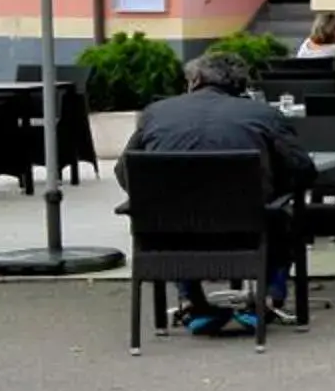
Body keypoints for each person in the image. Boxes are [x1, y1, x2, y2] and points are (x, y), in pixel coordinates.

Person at [117, 49, 315, 337]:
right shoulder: (264, 115)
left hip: (170, 236)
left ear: (195, 79)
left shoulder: (156, 114)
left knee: (175, 210)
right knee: (285, 217)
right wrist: (275, 187)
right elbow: (302, 170)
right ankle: (269, 298)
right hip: (248, 231)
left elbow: (126, 173)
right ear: (241, 86)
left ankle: (191, 301)